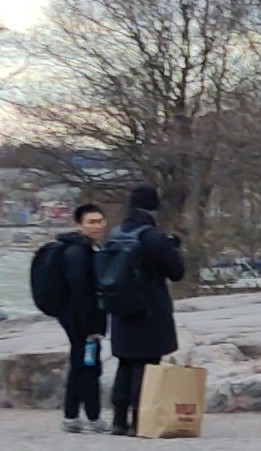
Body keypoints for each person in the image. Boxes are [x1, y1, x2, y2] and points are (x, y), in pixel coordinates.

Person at [96, 182, 188, 435]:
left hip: (121, 310)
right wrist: (174, 248)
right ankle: (140, 419)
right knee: (146, 365)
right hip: (149, 309)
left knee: (125, 363)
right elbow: (177, 272)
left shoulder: (115, 234)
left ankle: (118, 420)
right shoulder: (154, 237)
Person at [30, 202, 109, 429]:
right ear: (79, 225)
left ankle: (72, 415)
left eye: (99, 221)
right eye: (90, 222)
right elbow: (81, 291)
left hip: (74, 316)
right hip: (80, 318)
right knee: (89, 366)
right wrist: (92, 325)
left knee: (80, 364)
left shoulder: (85, 249)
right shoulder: (78, 253)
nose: (96, 226)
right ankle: (92, 417)